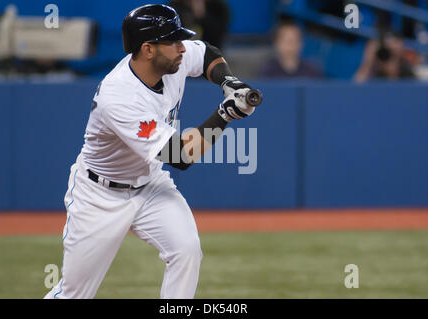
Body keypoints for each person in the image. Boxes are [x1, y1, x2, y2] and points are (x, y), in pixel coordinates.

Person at [44, 4, 260, 299]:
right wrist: (225, 114)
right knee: (74, 294)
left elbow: (207, 52)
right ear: (148, 49)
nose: (182, 47)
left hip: (149, 184)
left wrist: (227, 81)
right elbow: (180, 157)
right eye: (173, 41)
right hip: (100, 196)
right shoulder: (119, 96)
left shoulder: (172, 59)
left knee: (186, 251)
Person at [259, 22, 323, 79]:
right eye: (286, 41)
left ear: (301, 44)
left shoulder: (312, 71)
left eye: (295, 41)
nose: (291, 45)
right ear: (276, 43)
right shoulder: (268, 71)